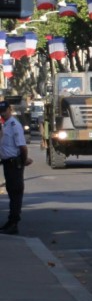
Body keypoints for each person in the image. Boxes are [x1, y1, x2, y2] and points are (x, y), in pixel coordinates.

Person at [0, 100, 33, 235]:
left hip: (15, 163)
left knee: (15, 194)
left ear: (10, 109)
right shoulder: (5, 125)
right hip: (7, 163)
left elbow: (23, 147)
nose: (2, 113)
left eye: (4, 111)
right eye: (1, 111)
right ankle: (10, 222)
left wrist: (23, 161)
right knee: (11, 193)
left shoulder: (14, 125)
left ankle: (14, 224)